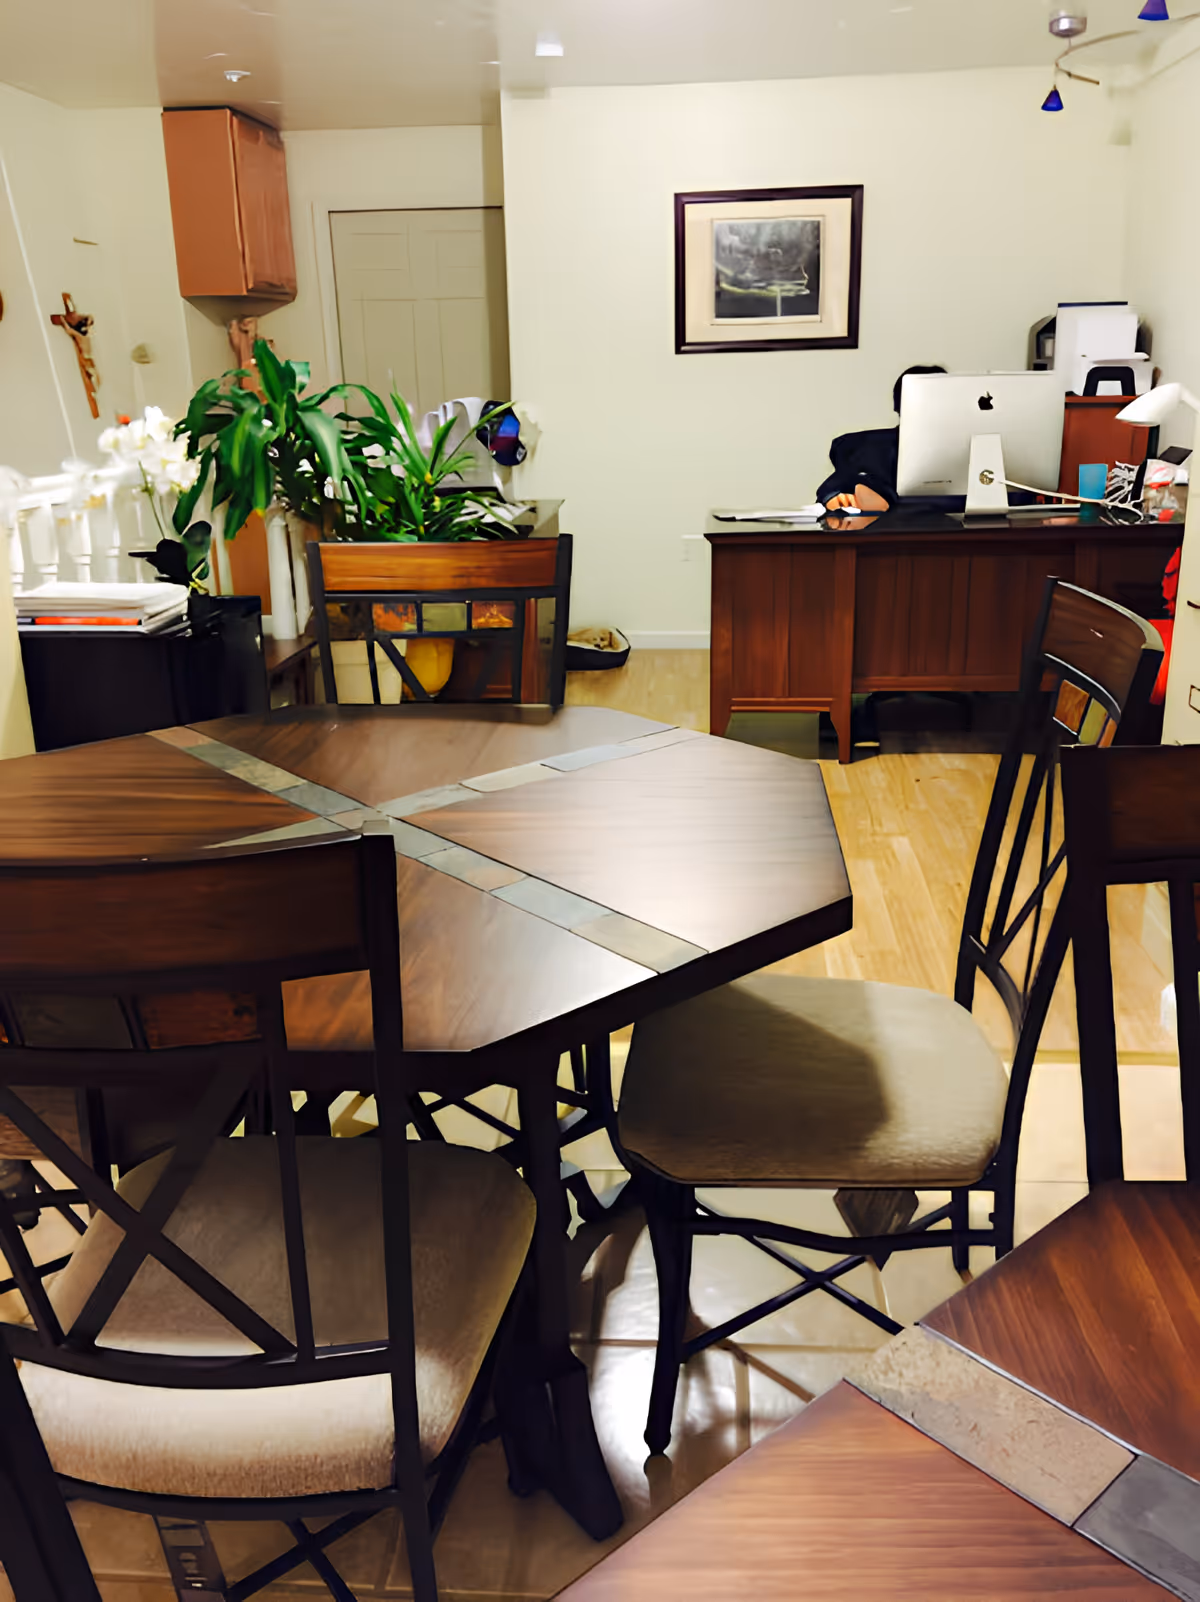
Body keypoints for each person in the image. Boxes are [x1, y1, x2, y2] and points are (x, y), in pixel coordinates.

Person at [817, 365, 947, 513]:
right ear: (899, 406)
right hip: (893, 520)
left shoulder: (973, 446)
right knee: (858, 482)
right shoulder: (873, 448)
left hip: (957, 516)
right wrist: (836, 496)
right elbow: (835, 484)